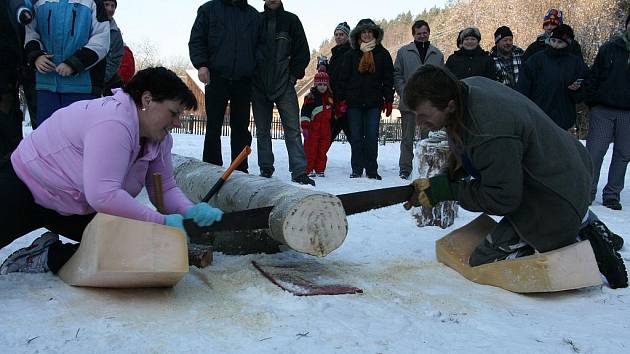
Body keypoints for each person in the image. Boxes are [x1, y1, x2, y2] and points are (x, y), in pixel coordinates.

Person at [403, 64, 627, 289]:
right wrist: (447, 175)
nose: (420, 123)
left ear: (449, 105)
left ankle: (576, 240)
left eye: (423, 116)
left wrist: (449, 191)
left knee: (483, 260)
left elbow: (502, 198)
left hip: (553, 196)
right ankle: (583, 221)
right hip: (566, 173)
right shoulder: (466, 89)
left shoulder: (487, 127)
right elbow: (468, 148)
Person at [0, 67, 223, 275]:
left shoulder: (159, 138)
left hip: (75, 208)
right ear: (147, 100)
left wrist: (189, 211)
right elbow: (103, 195)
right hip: (25, 188)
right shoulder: (113, 122)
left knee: (139, 249)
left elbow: (163, 188)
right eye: (173, 114)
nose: (178, 123)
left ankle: (48, 255)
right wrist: (160, 222)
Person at [189, 0, 261, 174]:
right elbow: (197, 39)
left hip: (244, 79)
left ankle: (240, 168)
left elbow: (260, 47)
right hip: (217, 76)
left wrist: (255, 69)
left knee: (241, 127)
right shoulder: (209, 9)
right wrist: (202, 64)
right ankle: (211, 168)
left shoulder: (253, 16)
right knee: (213, 125)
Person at [252, 0, 314, 185]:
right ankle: (265, 167)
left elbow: (302, 52)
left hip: (284, 83)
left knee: (293, 129)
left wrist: (293, 76)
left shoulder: (291, 21)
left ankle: (299, 171)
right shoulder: (256, 20)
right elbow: (248, 50)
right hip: (258, 84)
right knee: (262, 129)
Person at [24, 0, 110, 126]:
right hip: (45, 87)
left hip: (82, 88)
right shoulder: (38, 3)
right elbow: (30, 33)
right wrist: (36, 56)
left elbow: (101, 40)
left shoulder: (94, 3)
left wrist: (75, 63)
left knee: (78, 138)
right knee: (47, 138)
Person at [337, 19, 394, 180]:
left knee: (371, 136)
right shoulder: (351, 54)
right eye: (364, 32)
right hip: (354, 102)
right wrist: (341, 100)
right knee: (355, 137)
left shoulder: (383, 54)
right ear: (358, 35)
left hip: (374, 102)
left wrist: (388, 99)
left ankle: (371, 170)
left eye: (369, 32)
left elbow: (388, 78)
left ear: (374, 34)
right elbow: (343, 79)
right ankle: (356, 169)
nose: (367, 35)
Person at [585, 14, 630, 211]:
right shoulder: (609, 48)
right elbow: (594, 76)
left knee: (623, 154)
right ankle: (586, 192)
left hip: (628, 113)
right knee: (594, 152)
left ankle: (612, 194)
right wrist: (592, 101)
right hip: (603, 109)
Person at [394, 20, 444, 180]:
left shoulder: (437, 54)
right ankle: (405, 168)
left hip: (429, 105)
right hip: (409, 102)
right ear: (413, 34)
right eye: (419, 33)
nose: (422, 36)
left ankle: (427, 167)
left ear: (429, 33)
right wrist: (404, 92)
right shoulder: (403, 52)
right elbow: (397, 75)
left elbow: (442, 78)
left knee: (428, 139)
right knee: (407, 139)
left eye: (425, 33)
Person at [516, 25, 588, 131]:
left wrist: (576, 90)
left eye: (560, 42)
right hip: (537, 117)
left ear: (567, 43)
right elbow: (523, 88)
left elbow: (584, 91)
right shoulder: (536, 60)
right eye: (553, 40)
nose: (555, 45)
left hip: (564, 120)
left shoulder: (576, 63)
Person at [300, 69, 334, 177]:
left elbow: (333, 112)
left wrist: (340, 110)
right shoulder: (311, 98)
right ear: (316, 84)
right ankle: (308, 169)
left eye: (324, 84)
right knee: (311, 150)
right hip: (313, 128)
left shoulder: (330, 98)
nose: (322, 87)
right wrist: (305, 127)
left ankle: (320, 169)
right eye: (320, 84)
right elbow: (305, 113)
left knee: (322, 150)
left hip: (325, 128)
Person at [328, 21, 352, 143]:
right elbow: (333, 77)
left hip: (347, 104)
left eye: (341, 34)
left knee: (354, 139)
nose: (338, 37)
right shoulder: (334, 55)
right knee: (327, 138)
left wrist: (346, 99)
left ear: (347, 36)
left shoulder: (352, 53)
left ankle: (360, 162)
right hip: (334, 102)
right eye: (336, 34)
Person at [102, 0, 124, 96]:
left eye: (113, 6)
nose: (110, 9)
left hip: (107, 81)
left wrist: (103, 77)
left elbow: (116, 58)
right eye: (106, 5)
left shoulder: (116, 33)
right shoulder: (86, 24)